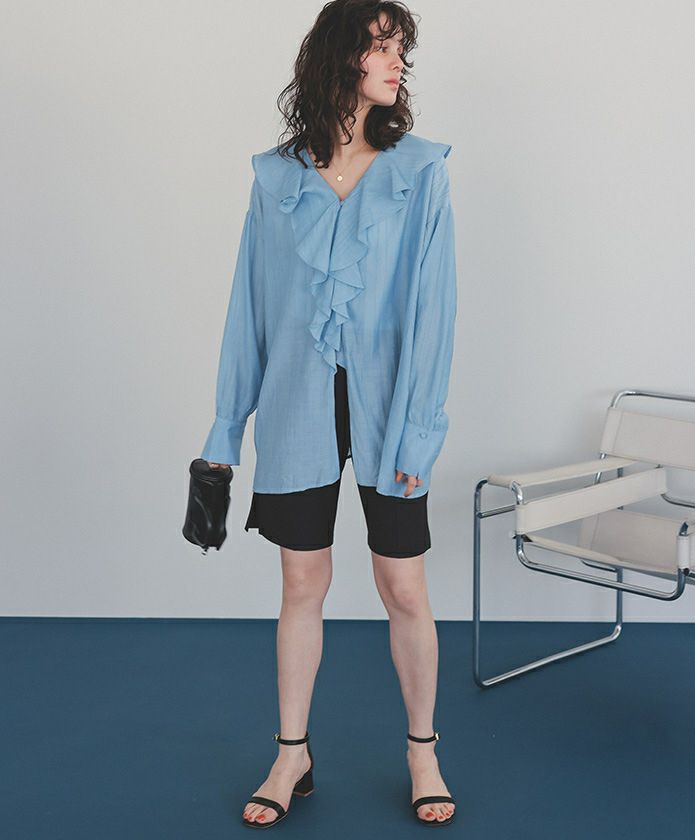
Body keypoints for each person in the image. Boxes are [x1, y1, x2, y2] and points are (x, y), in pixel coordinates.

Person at [201, 0, 458, 828]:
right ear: (340, 56)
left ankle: (422, 751)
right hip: (296, 409)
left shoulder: (421, 172)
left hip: (392, 413)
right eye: (382, 45)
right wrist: (223, 437)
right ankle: (291, 754)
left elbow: (435, 312)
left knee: (403, 585)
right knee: (301, 583)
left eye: (401, 48)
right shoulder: (275, 180)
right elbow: (249, 311)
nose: (398, 61)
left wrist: (421, 432)